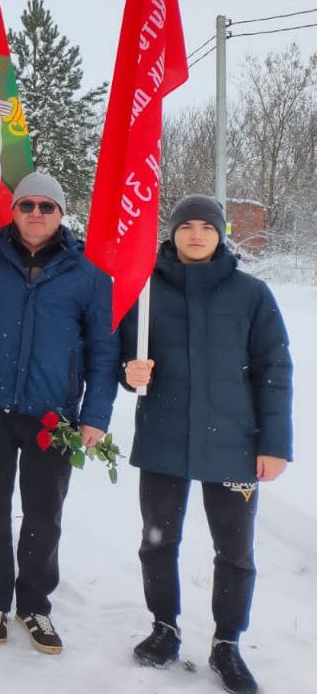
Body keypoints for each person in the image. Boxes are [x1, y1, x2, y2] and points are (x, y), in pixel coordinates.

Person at [0, 171, 118, 654]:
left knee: (44, 513)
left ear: (61, 214)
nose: (36, 214)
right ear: (12, 210)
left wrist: (96, 414)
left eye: (46, 206)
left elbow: (103, 348)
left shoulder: (88, 271)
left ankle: (34, 604)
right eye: (27, 205)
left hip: (53, 416)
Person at [120, 196, 293, 694]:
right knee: (158, 542)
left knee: (235, 551)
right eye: (186, 226)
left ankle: (227, 644)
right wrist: (129, 372)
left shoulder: (251, 294)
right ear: (171, 233)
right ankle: (164, 628)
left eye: (206, 227)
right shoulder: (146, 291)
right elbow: (126, 359)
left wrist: (275, 444)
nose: (196, 235)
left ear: (221, 234)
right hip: (163, 437)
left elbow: (274, 372)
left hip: (234, 444)